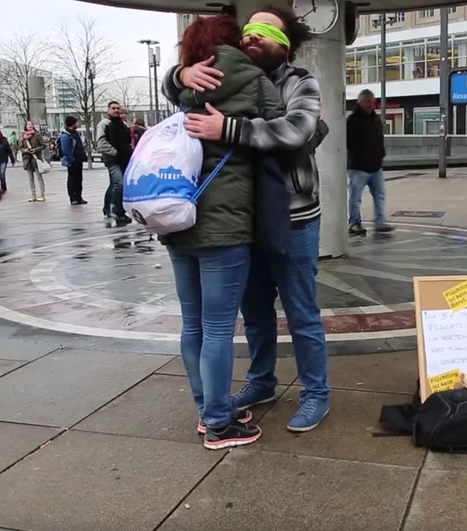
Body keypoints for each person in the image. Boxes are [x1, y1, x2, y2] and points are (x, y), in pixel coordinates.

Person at [170, 4, 332, 433]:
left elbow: (299, 130)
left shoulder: (300, 82)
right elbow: (182, 90)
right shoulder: (225, 73)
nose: (253, 37)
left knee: (302, 312)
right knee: (255, 312)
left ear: (286, 46)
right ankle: (262, 382)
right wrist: (179, 75)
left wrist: (230, 130)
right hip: (243, 219)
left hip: (293, 216)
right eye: (249, 31)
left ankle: (316, 393)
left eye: (267, 32)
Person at [159, 14, 285, 450]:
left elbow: (169, 87)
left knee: (193, 324)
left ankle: (207, 410)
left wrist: (177, 73)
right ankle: (218, 422)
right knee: (217, 328)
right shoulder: (255, 80)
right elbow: (295, 134)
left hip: (178, 220)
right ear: (234, 42)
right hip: (225, 227)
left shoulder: (187, 82)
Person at [346, 89, 392, 236]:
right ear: (360, 102)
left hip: (375, 166)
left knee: (379, 195)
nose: (371, 105)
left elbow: (380, 138)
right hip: (358, 167)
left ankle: (380, 222)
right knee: (356, 197)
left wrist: (380, 154)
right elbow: (348, 142)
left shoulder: (375, 119)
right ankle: (354, 223)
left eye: (372, 102)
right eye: (368, 102)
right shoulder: (352, 120)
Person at [95, 101, 132, 226]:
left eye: (118, 108)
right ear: (108, 110)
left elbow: (128, 141)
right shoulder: (104, 124)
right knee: (118, 184)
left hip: (124, 159)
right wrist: (114, 152)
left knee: (114, 184)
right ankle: (116, 210)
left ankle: (109, 208)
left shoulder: (124, 125)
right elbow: (101, 142)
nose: (116, 110)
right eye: (113, 108)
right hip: (113, 160)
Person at [59, 116, 88, 205]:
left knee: (79, 179)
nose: (78, 124)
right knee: (72, 179)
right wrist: (71, 160)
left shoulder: (75, 133)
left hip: (79, 160)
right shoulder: (66, 135)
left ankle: (79, 196)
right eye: (77, 122)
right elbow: (65, 149)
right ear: (72, 123)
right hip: (73, 161)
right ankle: (73, 198)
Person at [19, 120, 47, 202]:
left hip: (36, 158)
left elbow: (44, 145)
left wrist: (35, 150)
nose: (30, 125)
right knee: (30, 178)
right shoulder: (23, 137)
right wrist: (25, 150)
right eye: (28, 124)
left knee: (39, 178)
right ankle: (33, 195)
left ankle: (42, 195)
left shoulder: (37, 135)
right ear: (25, 126)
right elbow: (20, 147)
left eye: (31, 124)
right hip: (27, 159)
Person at [0, 129, 11, 193]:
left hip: (3, 160)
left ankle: (3, 187)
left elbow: (9, 150)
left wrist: (12, 159)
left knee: (2, 173)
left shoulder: (4, 140)